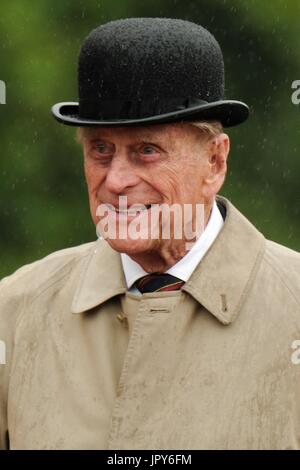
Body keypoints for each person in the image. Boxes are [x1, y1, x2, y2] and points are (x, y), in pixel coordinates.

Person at [0, 17, 300, 451]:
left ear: (215, 162)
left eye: (147, 150)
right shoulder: (15, 312)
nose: (117, 180)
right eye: (101, 149)